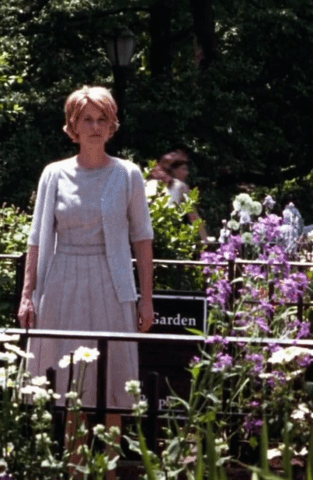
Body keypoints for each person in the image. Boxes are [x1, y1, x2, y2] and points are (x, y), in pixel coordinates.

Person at [18, 85, 155, 413]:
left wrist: (146, 299)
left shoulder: (127, 174)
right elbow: (37, 237)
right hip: (62, 283)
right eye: (87, 119)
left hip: (111, 284)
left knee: (112, 383)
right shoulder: (54, 174)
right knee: (66, 385)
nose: (95, 127)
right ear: (73, 126)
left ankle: (107, 464)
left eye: (102, 119)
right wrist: (27, 295)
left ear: (111, 126)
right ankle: (74, 462)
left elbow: (143, 239)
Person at [147, 149, 209, 242]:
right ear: (172, 169)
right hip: (165, 238)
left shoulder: (147, 183)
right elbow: (194, 217)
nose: (187, 173)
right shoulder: (180, 186)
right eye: (183, 169)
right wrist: (206, 241)